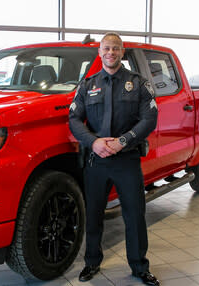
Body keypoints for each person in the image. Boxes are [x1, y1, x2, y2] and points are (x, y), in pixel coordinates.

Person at [69, 32, 159, 285]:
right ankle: (91, 263)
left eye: (116, 49)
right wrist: (93, 142)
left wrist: (123, 141)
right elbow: (74, 119)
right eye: (106, 48)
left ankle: (140, 268)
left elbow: (149, 119)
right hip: (96, 161)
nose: (111, 53)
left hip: (127, 160)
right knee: (94, 214)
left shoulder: (138, 83)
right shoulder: (87, 85)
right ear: (99, 52)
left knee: (134, 215)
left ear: (122, 52)